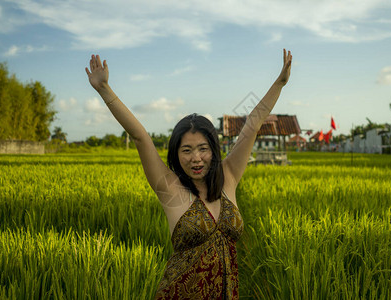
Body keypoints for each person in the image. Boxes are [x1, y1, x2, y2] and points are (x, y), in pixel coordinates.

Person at [85, 49, 292, 299]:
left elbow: (251, 126)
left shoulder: (229, 175)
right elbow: (140, 137)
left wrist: (279, 83)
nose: (196, 157)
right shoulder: (170, 189)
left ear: (213, 151)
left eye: (203, 149)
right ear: (176, 154)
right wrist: (104, 89)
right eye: (187, 150)